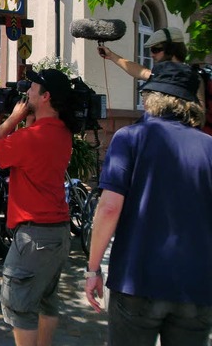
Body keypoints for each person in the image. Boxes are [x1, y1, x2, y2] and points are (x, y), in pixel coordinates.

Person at [85, 61, 212, 346]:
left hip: (137, 279)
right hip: (196, 285)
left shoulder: (130, 138)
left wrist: (93, 269)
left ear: (151, 97)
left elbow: (108, 208)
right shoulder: (209, 147)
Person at [0, 68, 78, 346]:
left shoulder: (30, 139)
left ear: (46, 96)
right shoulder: (62, 132)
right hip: (58, 235)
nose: (27, 92)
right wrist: (28, 118)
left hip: (34, 239)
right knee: (47, 302)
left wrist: (13, 118)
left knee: (19, 307)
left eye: (33, 88)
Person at [98, 26, 187, 81]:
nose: (151, 55)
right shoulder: (161, 75)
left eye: (155, 50)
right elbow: (141, 71)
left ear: (171, 49)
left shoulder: (191, 78)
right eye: (151, 50)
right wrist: (111, 55)